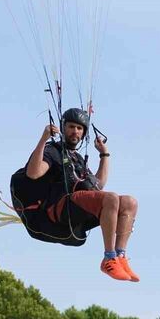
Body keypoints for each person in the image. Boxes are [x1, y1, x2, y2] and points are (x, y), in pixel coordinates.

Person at [25, 108, 139, 282]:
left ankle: (120, 256)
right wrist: (43, 139)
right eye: (71, 127)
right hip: (60, 209)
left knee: (130, 202)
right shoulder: (52, 151)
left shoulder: (77, 158)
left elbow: (97, 186)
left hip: (79, 207)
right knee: (111, 198)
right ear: (63, 128)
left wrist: (104, 155)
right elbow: (33, 173)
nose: (75, 131)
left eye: (79, 128)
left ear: (84, 132)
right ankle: (109, 258)